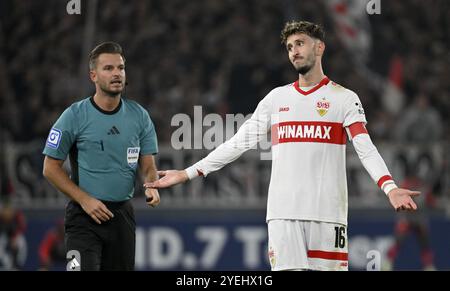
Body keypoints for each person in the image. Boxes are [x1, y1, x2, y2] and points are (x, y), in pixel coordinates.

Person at [144, 21, 420, 271]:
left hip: (327, 215)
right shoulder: (276, 99)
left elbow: (365, 147)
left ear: (319, 47)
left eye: (300, 43)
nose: (294, 51)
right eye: (289, 47)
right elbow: (238, 143)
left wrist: (390, 187)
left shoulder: (344, 99)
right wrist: (187, 173)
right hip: (282, 215)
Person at [42, 42, 160, 271]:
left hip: (122, 217)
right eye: (108, 68)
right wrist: (85, 200)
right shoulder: (74, 116)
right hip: (83, 218)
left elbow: (148, 166)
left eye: (121, 68)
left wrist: (151, 185)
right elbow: (50, 168)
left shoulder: (140, 116)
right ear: (93, 75)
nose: (117, 73)